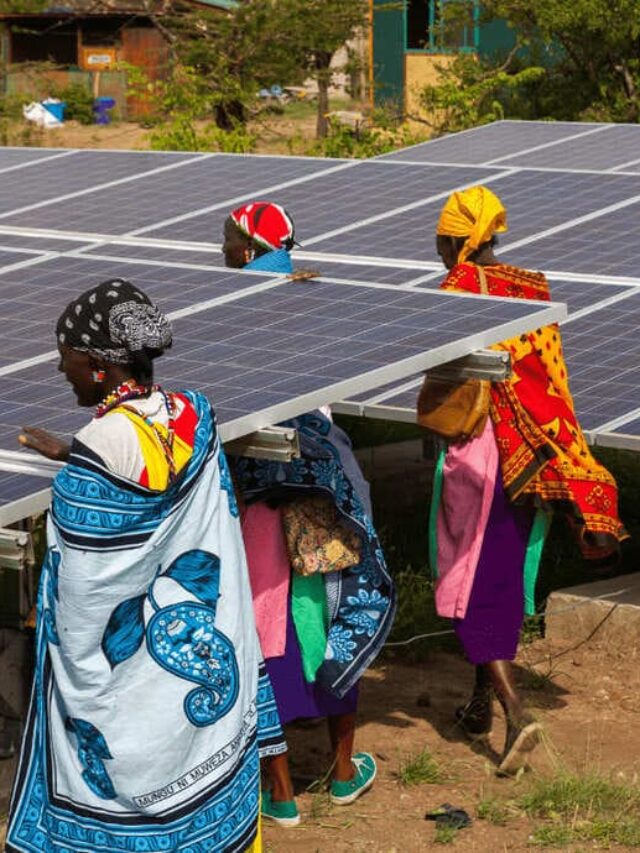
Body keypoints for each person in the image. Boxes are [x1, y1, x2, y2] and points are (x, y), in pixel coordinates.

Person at [7, 279, 285, 853]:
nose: (62, 370)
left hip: (136, 700)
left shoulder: (99, 455)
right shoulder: (196, 414)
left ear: (101, 365)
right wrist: (79, 450)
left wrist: (82, 463)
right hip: (198, 692)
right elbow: (153, 469)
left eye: (69, 358)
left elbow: (84, 603)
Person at [426, 186, 628, 775]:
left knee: (470, 579)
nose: (439, 251)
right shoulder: (531, 285)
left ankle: (516, 713)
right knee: (498, 575)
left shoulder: (458, 288)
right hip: (535, 460)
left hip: (483, 456)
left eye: (442, 240)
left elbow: (443, 375)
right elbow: (549, 378)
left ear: (458, 240)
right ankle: (479, 702)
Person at [222, 202, 395, 825]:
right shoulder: (316, 297)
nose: (220, 255)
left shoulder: (225, 311)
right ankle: (344, 770)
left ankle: (282, 789)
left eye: (225, 242)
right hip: (324, 494)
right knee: (333, 613)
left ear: (246, 250)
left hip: (258, 502)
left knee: (264, 631)